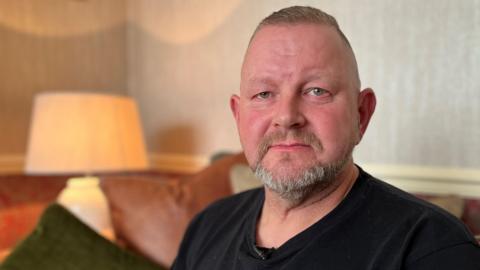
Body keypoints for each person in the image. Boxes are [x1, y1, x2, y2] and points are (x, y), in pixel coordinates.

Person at [172, 6, 480, 269]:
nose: (286, 116)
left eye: (316, 91)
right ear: (238, 115)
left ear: (361, 114)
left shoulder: (431, 247)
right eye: (264, 93)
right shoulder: (206, 226)